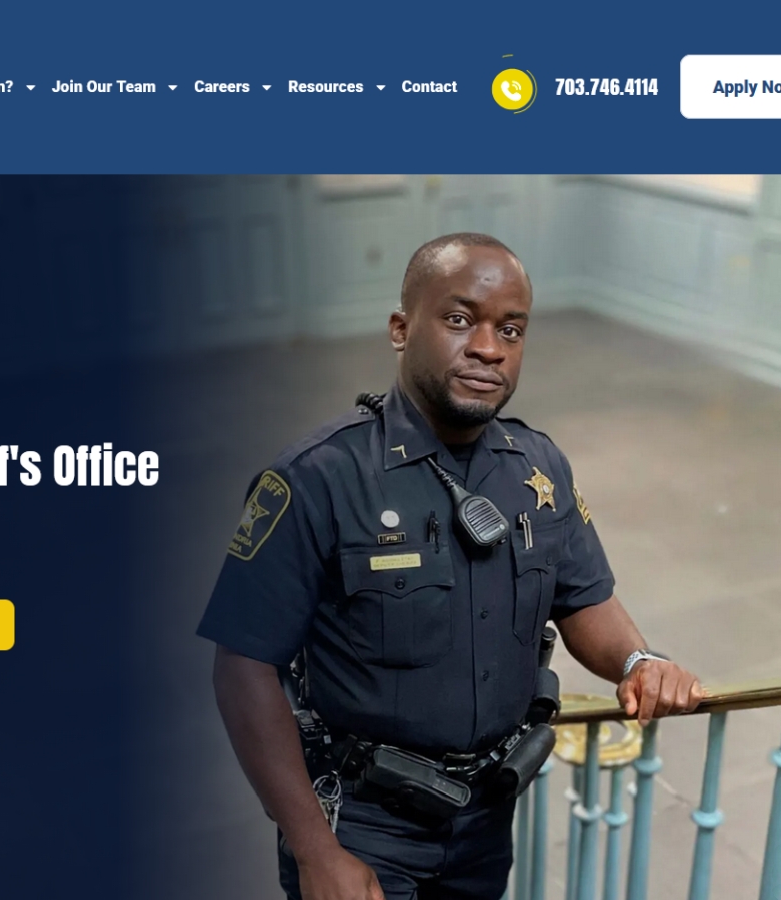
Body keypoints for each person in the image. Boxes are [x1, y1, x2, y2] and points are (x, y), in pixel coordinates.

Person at [196, 233, 704, 900]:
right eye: (460, 319)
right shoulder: (317, 479)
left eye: (511, 329)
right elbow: (243, 667)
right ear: (402, 329)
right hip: (361, 824)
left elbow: (584, 600)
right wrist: (314, 849)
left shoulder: (538, 469)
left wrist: (639, 662)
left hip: (485, 817)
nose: (489, 347)